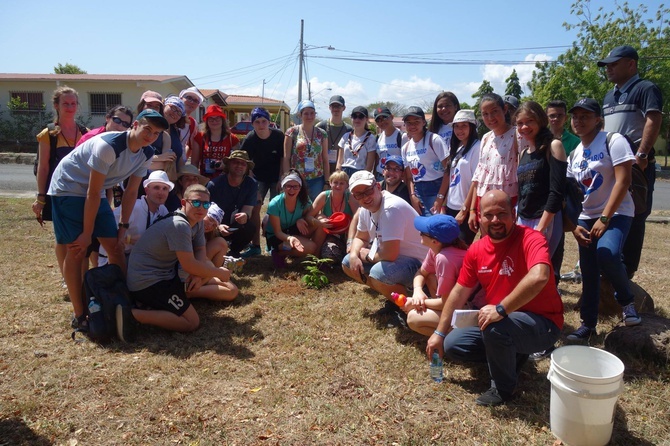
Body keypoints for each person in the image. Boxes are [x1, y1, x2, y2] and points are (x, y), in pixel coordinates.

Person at [426, 190, 563, 406]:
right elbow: (459, 292)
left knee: (495, 327)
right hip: (506, 320)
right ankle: (512, 354)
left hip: (542, 323)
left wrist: (501, 309)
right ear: (479, 217)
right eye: (489, 215)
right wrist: (439, 333)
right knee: (454, 344)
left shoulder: (531, 238)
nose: (495, 220)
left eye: (502, 213)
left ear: (513, 214)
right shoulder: (477, 249)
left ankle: (502, 388)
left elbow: (540, 277)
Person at [47, 109, 169, 329]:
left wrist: (123, 226)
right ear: (135, 126)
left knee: (115, 248)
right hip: (69, 187)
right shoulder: (108, 146)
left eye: (156, 133)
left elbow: (131, 192)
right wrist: (86, 234)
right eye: (147, 129)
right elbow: (91, 194)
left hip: (96, 191)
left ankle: (124, 301)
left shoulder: (147, 153)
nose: (150, 136)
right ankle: (79, 314)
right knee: (77, 250)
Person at [565, 98, 641, 342]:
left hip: (617, 212)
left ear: (598, 119)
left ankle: (627, 302)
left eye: (585, 116)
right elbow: (571, 194)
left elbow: (624, 180)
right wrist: (574, 225)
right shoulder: (574, 153)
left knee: (607, 253)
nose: (579, 121)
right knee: (588, 272)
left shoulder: (613, 140)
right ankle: (588, 325)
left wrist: (605, 217)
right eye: (575, 116)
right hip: (586, 217)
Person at [124, 184, 238, 336]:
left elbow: (199, 251)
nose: (201, 208)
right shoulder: (180, 225)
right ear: (184, 203)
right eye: (196, 203)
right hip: (147, 282)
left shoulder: (196, 222)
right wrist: (218, 272)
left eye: (206, 204)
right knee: (191, 322)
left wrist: (198, 275)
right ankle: (130, 314)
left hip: (166, 275)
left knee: (216, 279)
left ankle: (155, 305)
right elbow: (189, 264)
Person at [598, 45, 663, 279]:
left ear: (631, 64)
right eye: (607, 65)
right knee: (611, 212)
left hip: (635, 165)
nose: (609, 69)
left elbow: (653, 119)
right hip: (611, 165)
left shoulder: (645, 88)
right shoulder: (608, 96)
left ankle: (627, 272)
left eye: (614, 64)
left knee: (636, 214)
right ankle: (610, 268)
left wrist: (642, 155)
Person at [342, 170, 427, 306]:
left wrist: (366, 255)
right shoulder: (365, 209)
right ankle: (393, 298)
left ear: (378, 187)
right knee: (348, 262)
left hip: (420, 265)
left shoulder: (391, 208)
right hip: (396, 259)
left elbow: (390, 255)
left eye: (368, 191)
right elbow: (360, 238)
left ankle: (408, 305)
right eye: (358, 195)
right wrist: (353, 255)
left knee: (379, 273)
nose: (365, 197)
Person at [32, 86, 88, 284]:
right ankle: (68, 277)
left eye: (73, 103)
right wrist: (41, 197)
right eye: (66, 103)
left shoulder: (84, 132)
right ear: (56, 105)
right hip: (57, 193)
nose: (70, 107)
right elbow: (43, 167)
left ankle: (81, 276)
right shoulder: (48, 134)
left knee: (81, 235)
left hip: (81, 192)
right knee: (63, 237)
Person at [515, 101, 567, 267]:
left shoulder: (554, 146)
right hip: (523, 219)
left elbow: (557, 191)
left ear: (540, 120)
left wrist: (541, 228)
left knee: (540, 267)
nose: (524, 127)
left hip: (545, 219)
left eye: (529, 121)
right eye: (520, 123)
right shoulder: (523, 153)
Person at [405, 214, 471, 336]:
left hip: (466, 310)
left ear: (435, 241)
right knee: (430, 276)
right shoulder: (437, 249)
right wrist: (417, 291)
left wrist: (418, 302)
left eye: (422, 232)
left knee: (413, 318)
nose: (419, 233)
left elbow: (448, 303)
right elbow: (421, 273)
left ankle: (455, 337)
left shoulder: (445, 259)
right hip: (453, 304)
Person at [466, 93, 518, 234]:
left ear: (504, 109)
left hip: (507, 203)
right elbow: (478, 177)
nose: (490, 118)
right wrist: (472, 210)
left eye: (494, 111)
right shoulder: (485, 138)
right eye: (485, 114)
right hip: (483, 202)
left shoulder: (517, 135)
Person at [98, 170, 173, 266]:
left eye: (165, 189)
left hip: (139, 259)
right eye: (156, 188)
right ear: (147, 190)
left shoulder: (163, 210)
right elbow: (105, 231)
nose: (161, 192)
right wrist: (129, 240)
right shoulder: (134, 207)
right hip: (113, 259)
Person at [239, 107, 285, 258]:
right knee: (254, 210)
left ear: (269, 122)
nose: (261, 125)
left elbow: (283, 158)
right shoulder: (250, 139)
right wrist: (253, 184)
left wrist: (281, 178)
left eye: (264, 121)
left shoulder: (278, 136)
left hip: (276, 176)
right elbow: (244, 162)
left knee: (276, 211)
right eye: (257, 122)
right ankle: (256, 245)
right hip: (258, 177)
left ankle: (273, 244)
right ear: (252, 124)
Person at [207, 150, 258, 258]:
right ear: (228, 165)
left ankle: (235, 251)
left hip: (235, 224)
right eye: (236, 162)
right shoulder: (214, 185)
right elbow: (205, 213)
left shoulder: (251, 184)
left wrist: (245, 215)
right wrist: (217, 226)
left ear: (246, 168)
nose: (239, 166)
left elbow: (248, 209)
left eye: (243, 164)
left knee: (249, 227)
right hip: (215, 224)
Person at [401, 106, 450, 216]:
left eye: (416, 121)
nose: (412, 126)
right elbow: (409, 177)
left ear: (423, 122)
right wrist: (412, 196)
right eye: (409, 123)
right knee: (423, 229)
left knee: (437, 227)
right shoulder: (405, 148)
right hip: (418, 191)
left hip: (437, 187)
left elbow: (448, 170)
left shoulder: (434, 140)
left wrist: (440, 197)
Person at [265, 170, 318, 268]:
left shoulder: (304, 200)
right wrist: (290, 238)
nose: (291, 190)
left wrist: (301, 219)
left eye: (295, 186)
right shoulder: (275, 204)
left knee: (318, 221)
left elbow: (310, 216)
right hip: (278, 237)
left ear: (300, 188)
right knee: (311, 247)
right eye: (288, 186)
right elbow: (277, 232)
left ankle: (317, 258)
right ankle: (279, 253)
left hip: (293, 230)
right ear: (283, 187)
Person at [307, 170, 358, 262]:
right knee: (321, 224)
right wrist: (319, 222)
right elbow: (309, 216)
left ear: (347, 185)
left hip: (346, 234)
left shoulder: (350, 197)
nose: (338, 186)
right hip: (328, 233)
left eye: (342, 183)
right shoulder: (324, 196)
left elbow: (358, 218)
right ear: (330, 183)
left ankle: (346, 257)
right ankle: (315, 258)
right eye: (335, 182)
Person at [283, 100, 330, 200]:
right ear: (300, 115)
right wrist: (287, 180)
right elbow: (286, 158)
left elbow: (325, 159)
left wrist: (327, 181)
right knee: (297, 208)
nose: (309, 116)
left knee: (314, 209)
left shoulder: (322, 134)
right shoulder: (292, 132)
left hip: (317, 179)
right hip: (297, 179)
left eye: (312, 113)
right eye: (306, 113)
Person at [445, 109, 480, 245]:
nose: (460, 130)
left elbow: (476, 181)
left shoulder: (477, 147)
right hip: (451, 206)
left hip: (463, 208)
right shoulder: (459, 148)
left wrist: (465, 210)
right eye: (457, 126)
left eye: (464, 126)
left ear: (472, 127)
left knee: (462, 248)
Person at [192, 104, 241, 180]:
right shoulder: (199, 137)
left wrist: (226, 164)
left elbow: (238, 162)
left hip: (227, 181)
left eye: (217, 118)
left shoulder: (232, 139)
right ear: (207, 121)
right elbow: (194, 163)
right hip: (205, 180)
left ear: (222, 120)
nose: (214, 121)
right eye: (211, 119)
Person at [136, 91, 175, 174]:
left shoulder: (165, 136)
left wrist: (140, 162)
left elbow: (165, 164)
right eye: (149, 105)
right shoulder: (131, 131)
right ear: (142, 106)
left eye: (156, 107)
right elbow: (131, 162)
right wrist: (160, 157)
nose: (152, 109)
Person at [316, 95, 352, 174]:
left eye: (338, 106)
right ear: (329, 108)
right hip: (322, 170)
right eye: (333, 106)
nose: (335, 109)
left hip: (340, 172)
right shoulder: (321, 127)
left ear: (344, 108)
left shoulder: (349, 130)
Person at [336, 106, 376, 176]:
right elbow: (339, 162)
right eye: (354, 116)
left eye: (361, 117)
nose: (357, 119)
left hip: (361, 173)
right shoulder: (345, 136)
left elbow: (369, 166)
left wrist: (362, 179)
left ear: (366, 119)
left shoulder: (371, 138)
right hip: (344, 173)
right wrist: (338, 176)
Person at [373, 106, 407, 180]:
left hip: (395, 178)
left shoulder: (402, 136)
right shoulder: (378, 138)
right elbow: (377, 160)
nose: (382, 122)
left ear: (392, 117)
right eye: (378, 120)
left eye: (385, 118)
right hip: (380, 176)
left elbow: (406, 162)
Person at [179, 87, 205, 162]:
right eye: (189, 98)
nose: (192, 102)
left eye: (196, 101)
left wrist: (183, 161)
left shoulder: (193, 123)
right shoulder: (171, 116)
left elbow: (190, 146)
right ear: (181, 98)